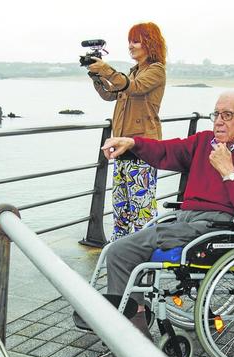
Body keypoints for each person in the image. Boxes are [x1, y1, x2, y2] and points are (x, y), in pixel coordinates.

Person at [96, 90, 234, 357]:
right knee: (122, 251)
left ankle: (128, 335)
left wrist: (228, 172)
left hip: (221, 226)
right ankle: (135, 328)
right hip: (187, 218)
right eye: (216, 114)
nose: (218, 121)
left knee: (124, 250)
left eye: (227, 115)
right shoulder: (204, 142)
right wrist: (133, 142)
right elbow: (167, 150)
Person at [87, 22, 167, 242]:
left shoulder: (156, 70)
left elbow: (135, 87)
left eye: (136, 40)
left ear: (150, 43)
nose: (131, 46)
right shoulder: (133, 72)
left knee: (142, 212)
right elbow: (110, 94)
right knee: (121, 211)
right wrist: (97, 77)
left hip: (143, 149)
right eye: (129, 41)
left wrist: (106, 69)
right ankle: (120, 254)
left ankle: (146, 259)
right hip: (122, 148)